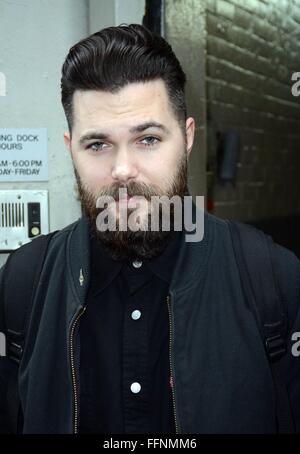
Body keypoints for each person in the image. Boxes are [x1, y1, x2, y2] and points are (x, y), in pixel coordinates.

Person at [0, 23, 300, 435]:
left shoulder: (272, 279)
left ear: (187, 138)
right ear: (71, 148)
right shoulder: (23, 283)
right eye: (98, 145)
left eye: (148, 139)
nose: (122, 170)